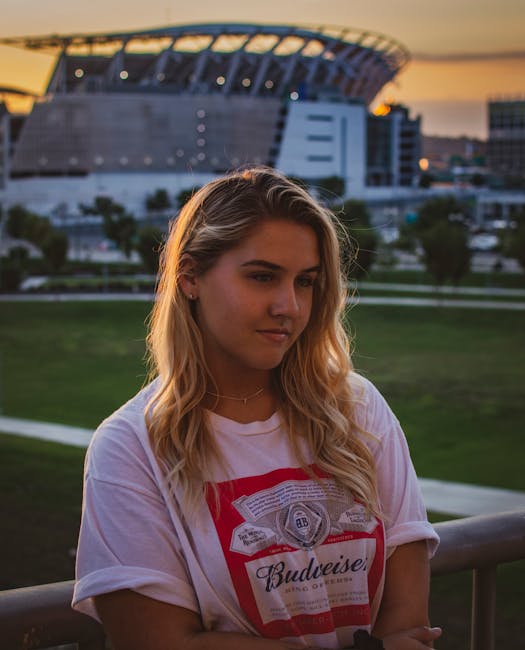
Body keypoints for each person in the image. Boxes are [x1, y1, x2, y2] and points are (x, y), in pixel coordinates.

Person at [72, 167, 442, 650]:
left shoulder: (358, 408)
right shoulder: (130, 447)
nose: (288, 305)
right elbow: (161, 642)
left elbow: (407, 620)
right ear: (189, 278)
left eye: (305, 281)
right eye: (263, 276)